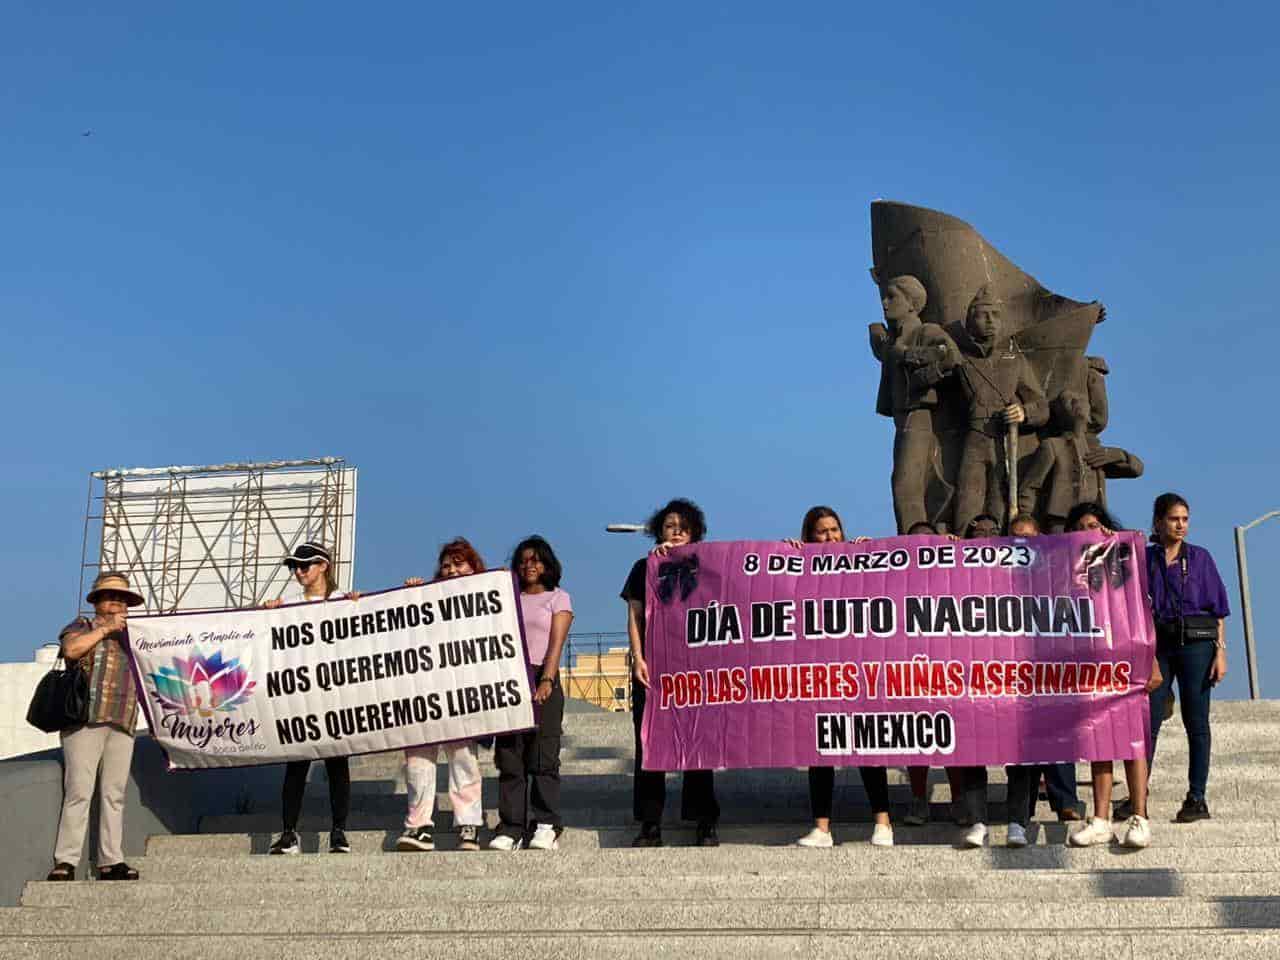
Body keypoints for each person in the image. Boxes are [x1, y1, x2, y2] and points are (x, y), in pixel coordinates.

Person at [789, 507, 893, 848]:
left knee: (867, 745)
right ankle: (822, 829)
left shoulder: (858, 562)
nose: (831, 537)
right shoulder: (800, 569)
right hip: (820, 674)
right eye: (822, 531)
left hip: (859, 672)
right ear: (809, 536)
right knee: (821, 750)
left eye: (835, 530)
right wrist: (785, 557)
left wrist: (872, 555)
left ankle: (883, 824)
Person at [624, 498, 720, 848]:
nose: (676, 531)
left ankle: (704, 821)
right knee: (649, 745)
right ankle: (650, 823)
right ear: (658, 532)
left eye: (683, 526)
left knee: (699, 743)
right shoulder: (643, 567)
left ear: (694, 531)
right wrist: (638, 657)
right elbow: (635, 615)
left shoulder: (711, 565)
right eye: (669, 526)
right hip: (654, 670)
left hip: (697, 671)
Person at [1064, 504, 1160, 849]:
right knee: (1099, 743)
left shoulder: (1125, 564)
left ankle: (1139, 816)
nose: (1091, 531)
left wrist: (1153, 662)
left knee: (1132, 742)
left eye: (1096, 524)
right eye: (1083, 527)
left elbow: (1143, 613)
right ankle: (1101, 819)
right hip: (1091, 666)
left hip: (1128, 661)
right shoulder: (1068, 570)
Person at [46, 572, 146, 881]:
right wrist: (105, 631)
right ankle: (66, 860)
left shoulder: (137, 633)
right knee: (79, 790)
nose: (117, 602)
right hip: (85, 719)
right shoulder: (82, 626)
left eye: (123, 599)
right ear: (98, 602)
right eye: (111, 597)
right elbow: (71, 650)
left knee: (114, 793)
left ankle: (110, 860)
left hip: (123, 719)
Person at [396, 538, 487, 852]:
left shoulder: (489, 603)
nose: (451, 570)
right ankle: (418, 825)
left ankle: (469, 824)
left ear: (474, 567)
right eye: (446, 565)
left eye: (459, 563)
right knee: (418, 759)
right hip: (424, 693)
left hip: (462, 694)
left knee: (463, 758)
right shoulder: (424, 601)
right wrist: (411, 599)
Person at [265, 543, 354, 855]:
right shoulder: (286, 604)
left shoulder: (345, 600)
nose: (299, 572)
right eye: (295, 567)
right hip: (300, 695)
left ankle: (339, 832)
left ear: (323, 566)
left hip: (334, 694)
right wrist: (267, 616)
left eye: (305, 565)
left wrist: (359, 606)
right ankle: (289, 833)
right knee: (296, 765)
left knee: (337, 764)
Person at [1146, 493, 1229, 822]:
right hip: (1158, 646)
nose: (1180, 525)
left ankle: (1197, 796)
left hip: (1197, 643)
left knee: (1196, 722)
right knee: (1148, 721)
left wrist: (1220, 652)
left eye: (1185, 519)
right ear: (1158, 522)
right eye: (1173, 519)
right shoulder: (1144, 558)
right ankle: (1140, 793)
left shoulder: (1200, 558)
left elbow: (1219, 609)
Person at [1002, 513, 1085, 847]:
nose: (1023, 542)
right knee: (1021, 749)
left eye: (1029, 536)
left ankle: (1066, 803)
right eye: (1016, 537)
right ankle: (1017, 821)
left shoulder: (1057, 573)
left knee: (1058, 735)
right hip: (1014, 674)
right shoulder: (995, 573)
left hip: (1053, 670)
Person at [490, 536, 573, 851]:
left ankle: (546, 824)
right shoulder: (507, 598)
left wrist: (547, 679)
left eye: (536, 559)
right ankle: (511, 826)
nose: (529, 565)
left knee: (543, 756)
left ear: (547, 564)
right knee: (510, 756)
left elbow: (556, 642)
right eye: (523, 560)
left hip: (542, 674)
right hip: (510, 678)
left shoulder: (558, 598)